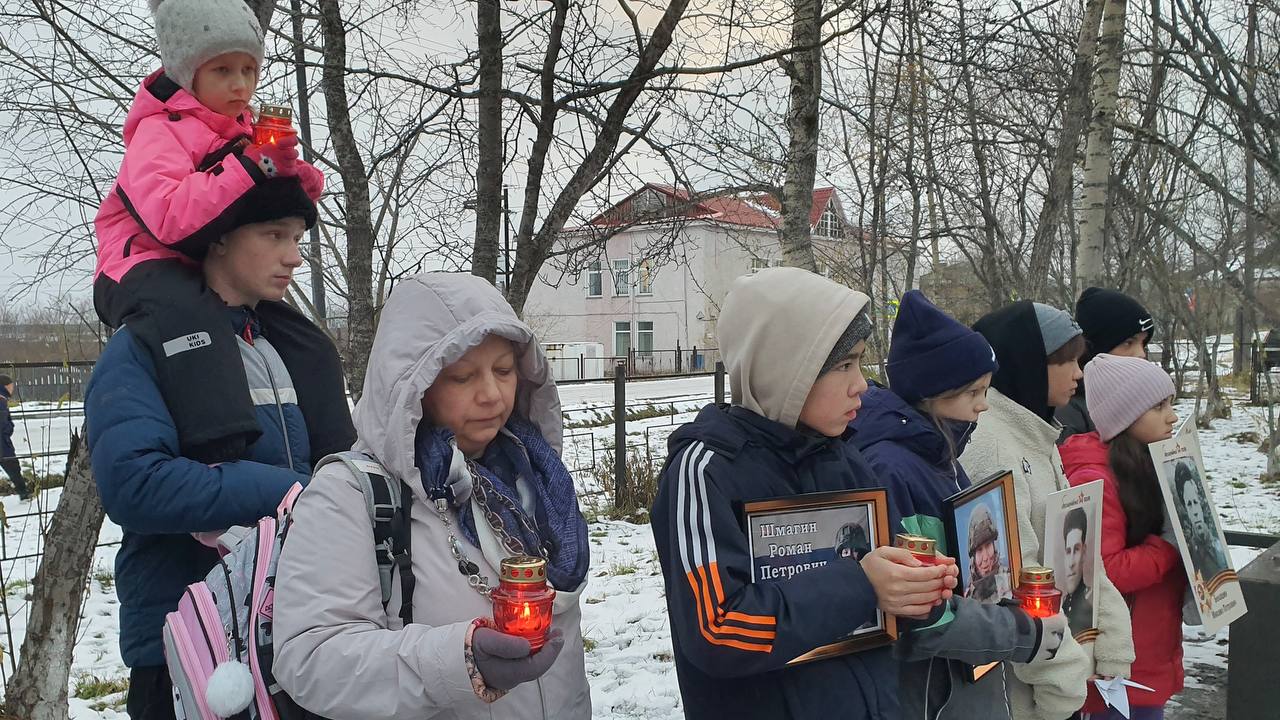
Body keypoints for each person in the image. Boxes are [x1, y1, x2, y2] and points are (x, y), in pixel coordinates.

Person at [272, 273, 591, 719]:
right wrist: (459, 662)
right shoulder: (349, 496)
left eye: (503, 370)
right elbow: (310, 656)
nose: (492, 394)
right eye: (462, 377)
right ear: (412, 388)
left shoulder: (533, 477)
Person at [651, 267, 960, 720]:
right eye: (842, 365)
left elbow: (883, 607)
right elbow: (717, 630)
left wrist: (916, 593)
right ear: (785, 367)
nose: (862, 384)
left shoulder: (847, 459)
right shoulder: (706, 471)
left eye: (860, 362)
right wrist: (863, 584)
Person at [86, 177, 341, 720]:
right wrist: (286, 491)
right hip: (184, 639)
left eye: (298, 238)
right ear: (219, 237)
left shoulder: (283, 347)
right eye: (275, 235)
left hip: (290, 629)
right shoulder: (142, 347)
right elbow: (135, 485)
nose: (293, 257)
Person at [94, 0, 352, 466]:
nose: (241, 85)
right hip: (141, 263)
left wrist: (293, 172)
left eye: (250, 70)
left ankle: (339, 456)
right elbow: (169, 218)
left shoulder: (243, 130)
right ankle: (218, 450)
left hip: (202, 260)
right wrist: (249, 166)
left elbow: (276, 189)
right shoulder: (158, 133)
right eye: (223, 70)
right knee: (196, 325)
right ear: (188, 72)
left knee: (305, 338)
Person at [851, 289, 1083, 720]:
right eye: (974, 391)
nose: (983, 404)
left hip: (964, 679)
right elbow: (920, 614)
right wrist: (1015, 631)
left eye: (987, 389)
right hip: (931, 694)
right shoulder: (894, 468)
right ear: (935, 390)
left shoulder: (941, 451)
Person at [960, 300, 1135, 720]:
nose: (1079, 373)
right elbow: (1013, 580)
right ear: (1027, 363)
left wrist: (1111, 641)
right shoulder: (992, 445)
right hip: (1019, 691)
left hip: (1054, 667)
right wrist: (1061, 686)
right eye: (1065, 361)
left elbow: (1079, 549)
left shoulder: (1035, 432)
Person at [1060, 353, 1186, 720]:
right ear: (1124, 415)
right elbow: (1106, 571)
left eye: (1171, 404)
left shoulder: (1146, 462)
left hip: (1147, 644)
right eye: (1158, 407)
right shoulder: (1096, 479)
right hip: (1116, 661)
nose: (1172, 416)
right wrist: (1168, 544)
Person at [1057, 288, 1155, 442]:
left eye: (1143, 343)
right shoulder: (1069, 410)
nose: (1141, 354)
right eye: (1128, 343)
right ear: (1096, 350)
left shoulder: (1140, 399)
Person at [1172, 462, 1229, 582]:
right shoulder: (1191, 554)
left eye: (1195, 502)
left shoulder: (1218, 546)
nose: (1195, 512)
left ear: (1201, 503)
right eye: (1189, 504)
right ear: (1186, 510)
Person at [965, 502, 1013, 603]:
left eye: (988, 546)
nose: (985, 557)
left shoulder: (1009, 578)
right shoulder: (968, 594)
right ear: (973, 556)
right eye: (979, 550)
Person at [1061, 507, 1094, 634]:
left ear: (1084, 552)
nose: (1071, 563)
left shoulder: (1088, 610)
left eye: (1077, 550)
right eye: (1068, 551)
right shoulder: (1062, 605)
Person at [0, 375, 32, 500]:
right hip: (2, 444)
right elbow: (3, 425)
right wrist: (9, 428)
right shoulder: (1, 401)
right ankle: (23, 494)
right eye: (11, 386)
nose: (13, 389)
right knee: (13, 467)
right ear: (5, 386)